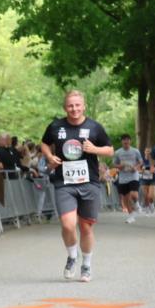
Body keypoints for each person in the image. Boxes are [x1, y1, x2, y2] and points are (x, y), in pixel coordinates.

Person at [40, 90, 113, 283]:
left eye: (77, 105)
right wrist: (49, 156)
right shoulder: (56, 126)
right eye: (70, 106)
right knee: (68, 224)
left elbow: (110, 150)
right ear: (65, 107)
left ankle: (86, 264)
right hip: (64, 182)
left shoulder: (94, 127)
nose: (74, 109)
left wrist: (95, 149)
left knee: (86, 227)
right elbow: (44, 144)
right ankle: (72, 256)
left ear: (84, 106)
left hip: (89, 182)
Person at [112, 134, 143, 223]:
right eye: (124, 140)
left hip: (133, 175)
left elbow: (141, 162)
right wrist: (120, 166)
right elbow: (114, 164)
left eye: (127, 140)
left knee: (134, 194)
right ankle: (131, 216)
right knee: (126, 199)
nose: (126, 141)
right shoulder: (118, 152)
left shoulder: (135, 151)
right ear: (122, 142)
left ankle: (136, 204)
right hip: (123, 177)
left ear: (130, 141)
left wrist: (136, 167)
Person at [139, 146, 155, 214]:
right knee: (145, 195)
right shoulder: (141, 160)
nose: (148, 153)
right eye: (147, 151)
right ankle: (147, 207)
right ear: (144, 152)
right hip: (144, 179)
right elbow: (138, 169)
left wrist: (154, 170)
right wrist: (142, 170)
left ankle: (151, 205)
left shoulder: (154, 160)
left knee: (150, 196)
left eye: (149, 152)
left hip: (152, 179)